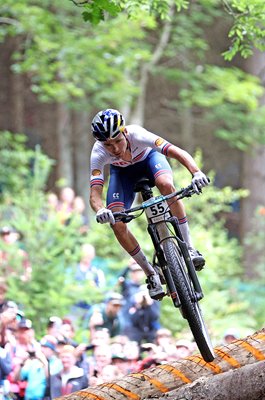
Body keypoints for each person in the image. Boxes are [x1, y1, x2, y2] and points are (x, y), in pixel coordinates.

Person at [89, 109, 209, 300]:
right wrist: (100, 209)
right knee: (117, 223)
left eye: (118, 141)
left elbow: (175, 151)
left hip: (150, 161)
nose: (115, 149)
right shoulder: (98, 152)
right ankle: (151, 274)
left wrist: (196, 172)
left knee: (166, 185)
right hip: (123, 176)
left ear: (125, 132)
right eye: (108, 145)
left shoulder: (137, 134)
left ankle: (190, 246)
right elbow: (94, 192)